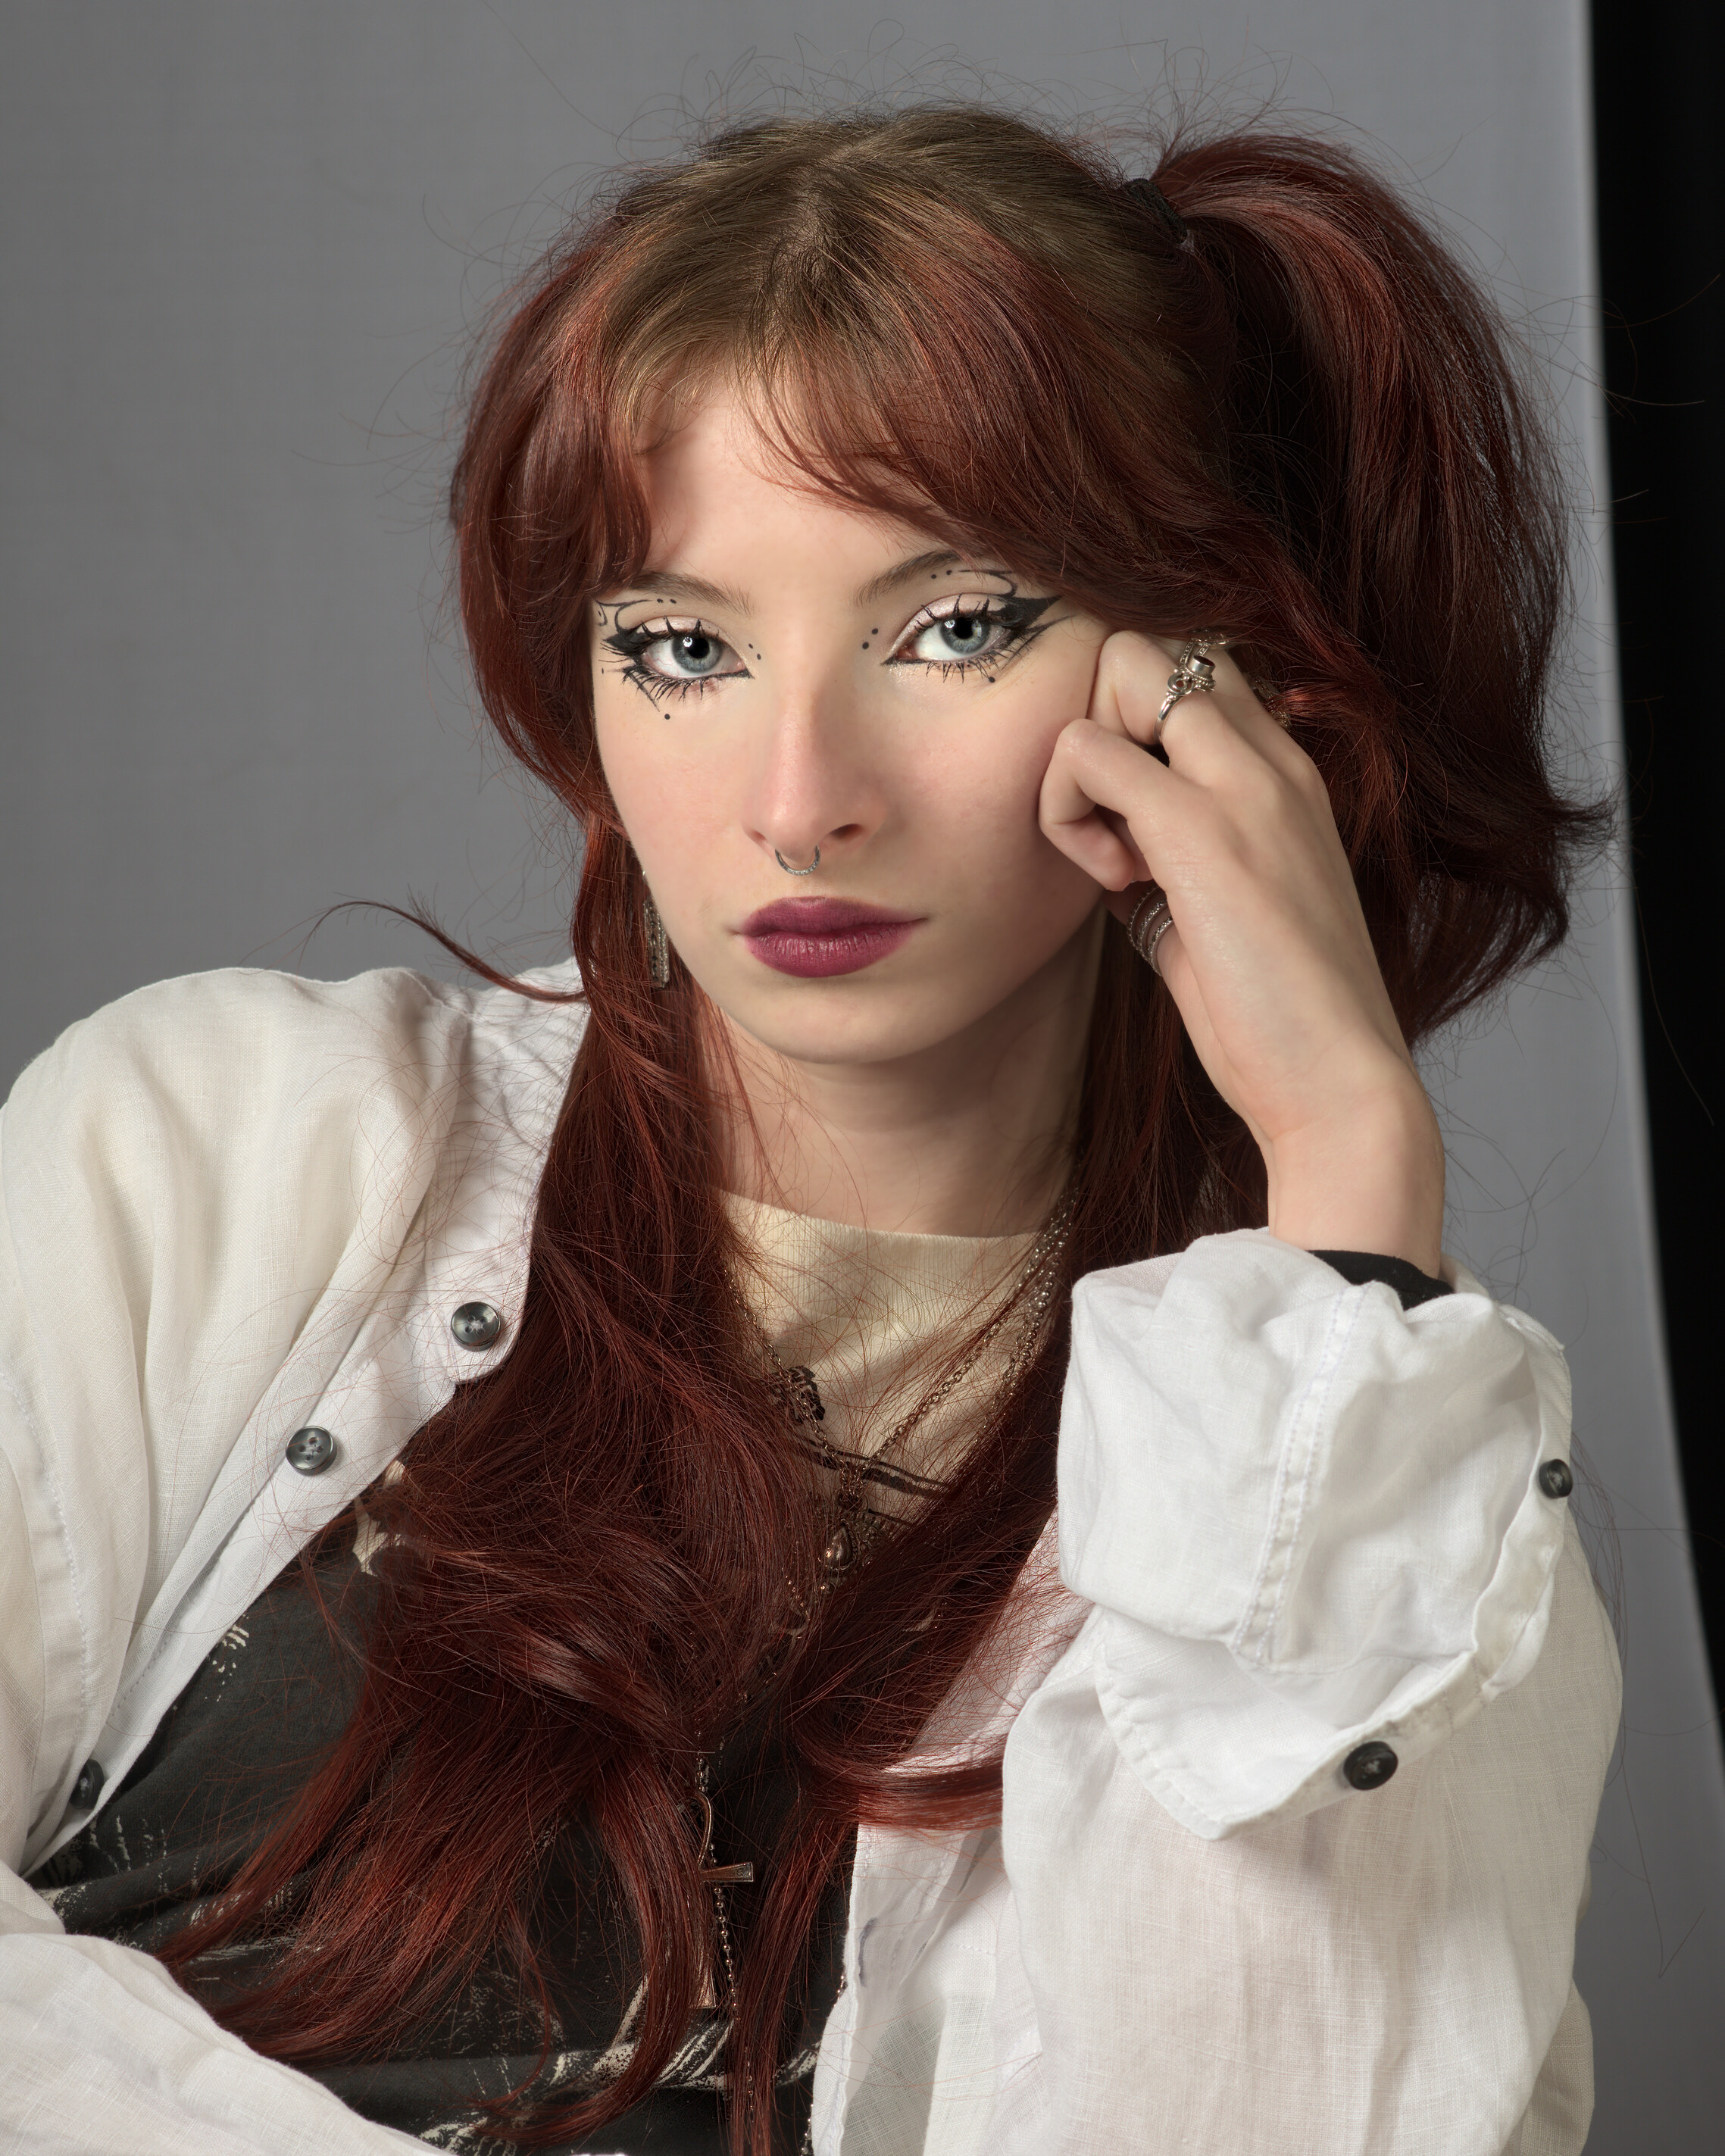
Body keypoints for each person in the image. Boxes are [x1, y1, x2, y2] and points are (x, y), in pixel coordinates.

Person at [0, 103, 1620, 2156]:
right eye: (682, 647)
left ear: (1206, 682)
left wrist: (1352, 1189)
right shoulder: (220, 1158)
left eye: (952, 628)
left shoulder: (1372, 1487)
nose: (797, 798)